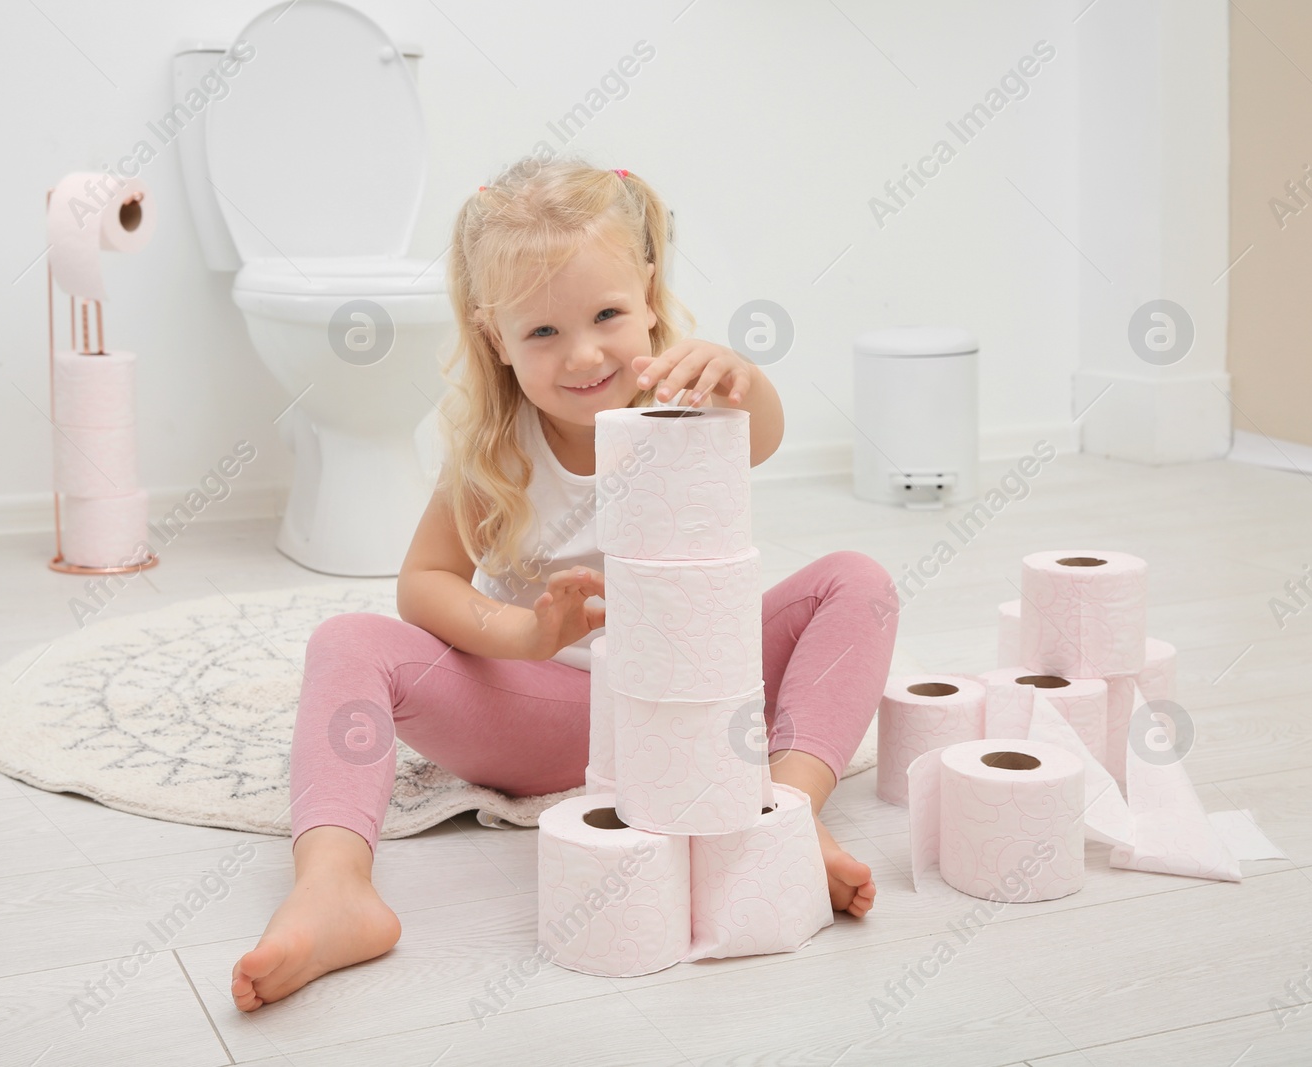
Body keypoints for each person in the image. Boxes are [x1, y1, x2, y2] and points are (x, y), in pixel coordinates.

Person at [231, 157, 899, 1012]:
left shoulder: (688, 402)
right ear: (493, 338)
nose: (583, 353)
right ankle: (333, 887)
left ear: (649, 294)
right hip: (557, 711)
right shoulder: (499, 450)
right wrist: (523, 637)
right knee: (346, 641)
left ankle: (783, 813)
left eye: (608, 315)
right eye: (541, 333)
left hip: (699, 698)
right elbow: (424, 583)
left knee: (858, 581)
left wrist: (744, 379)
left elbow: (761, 435)